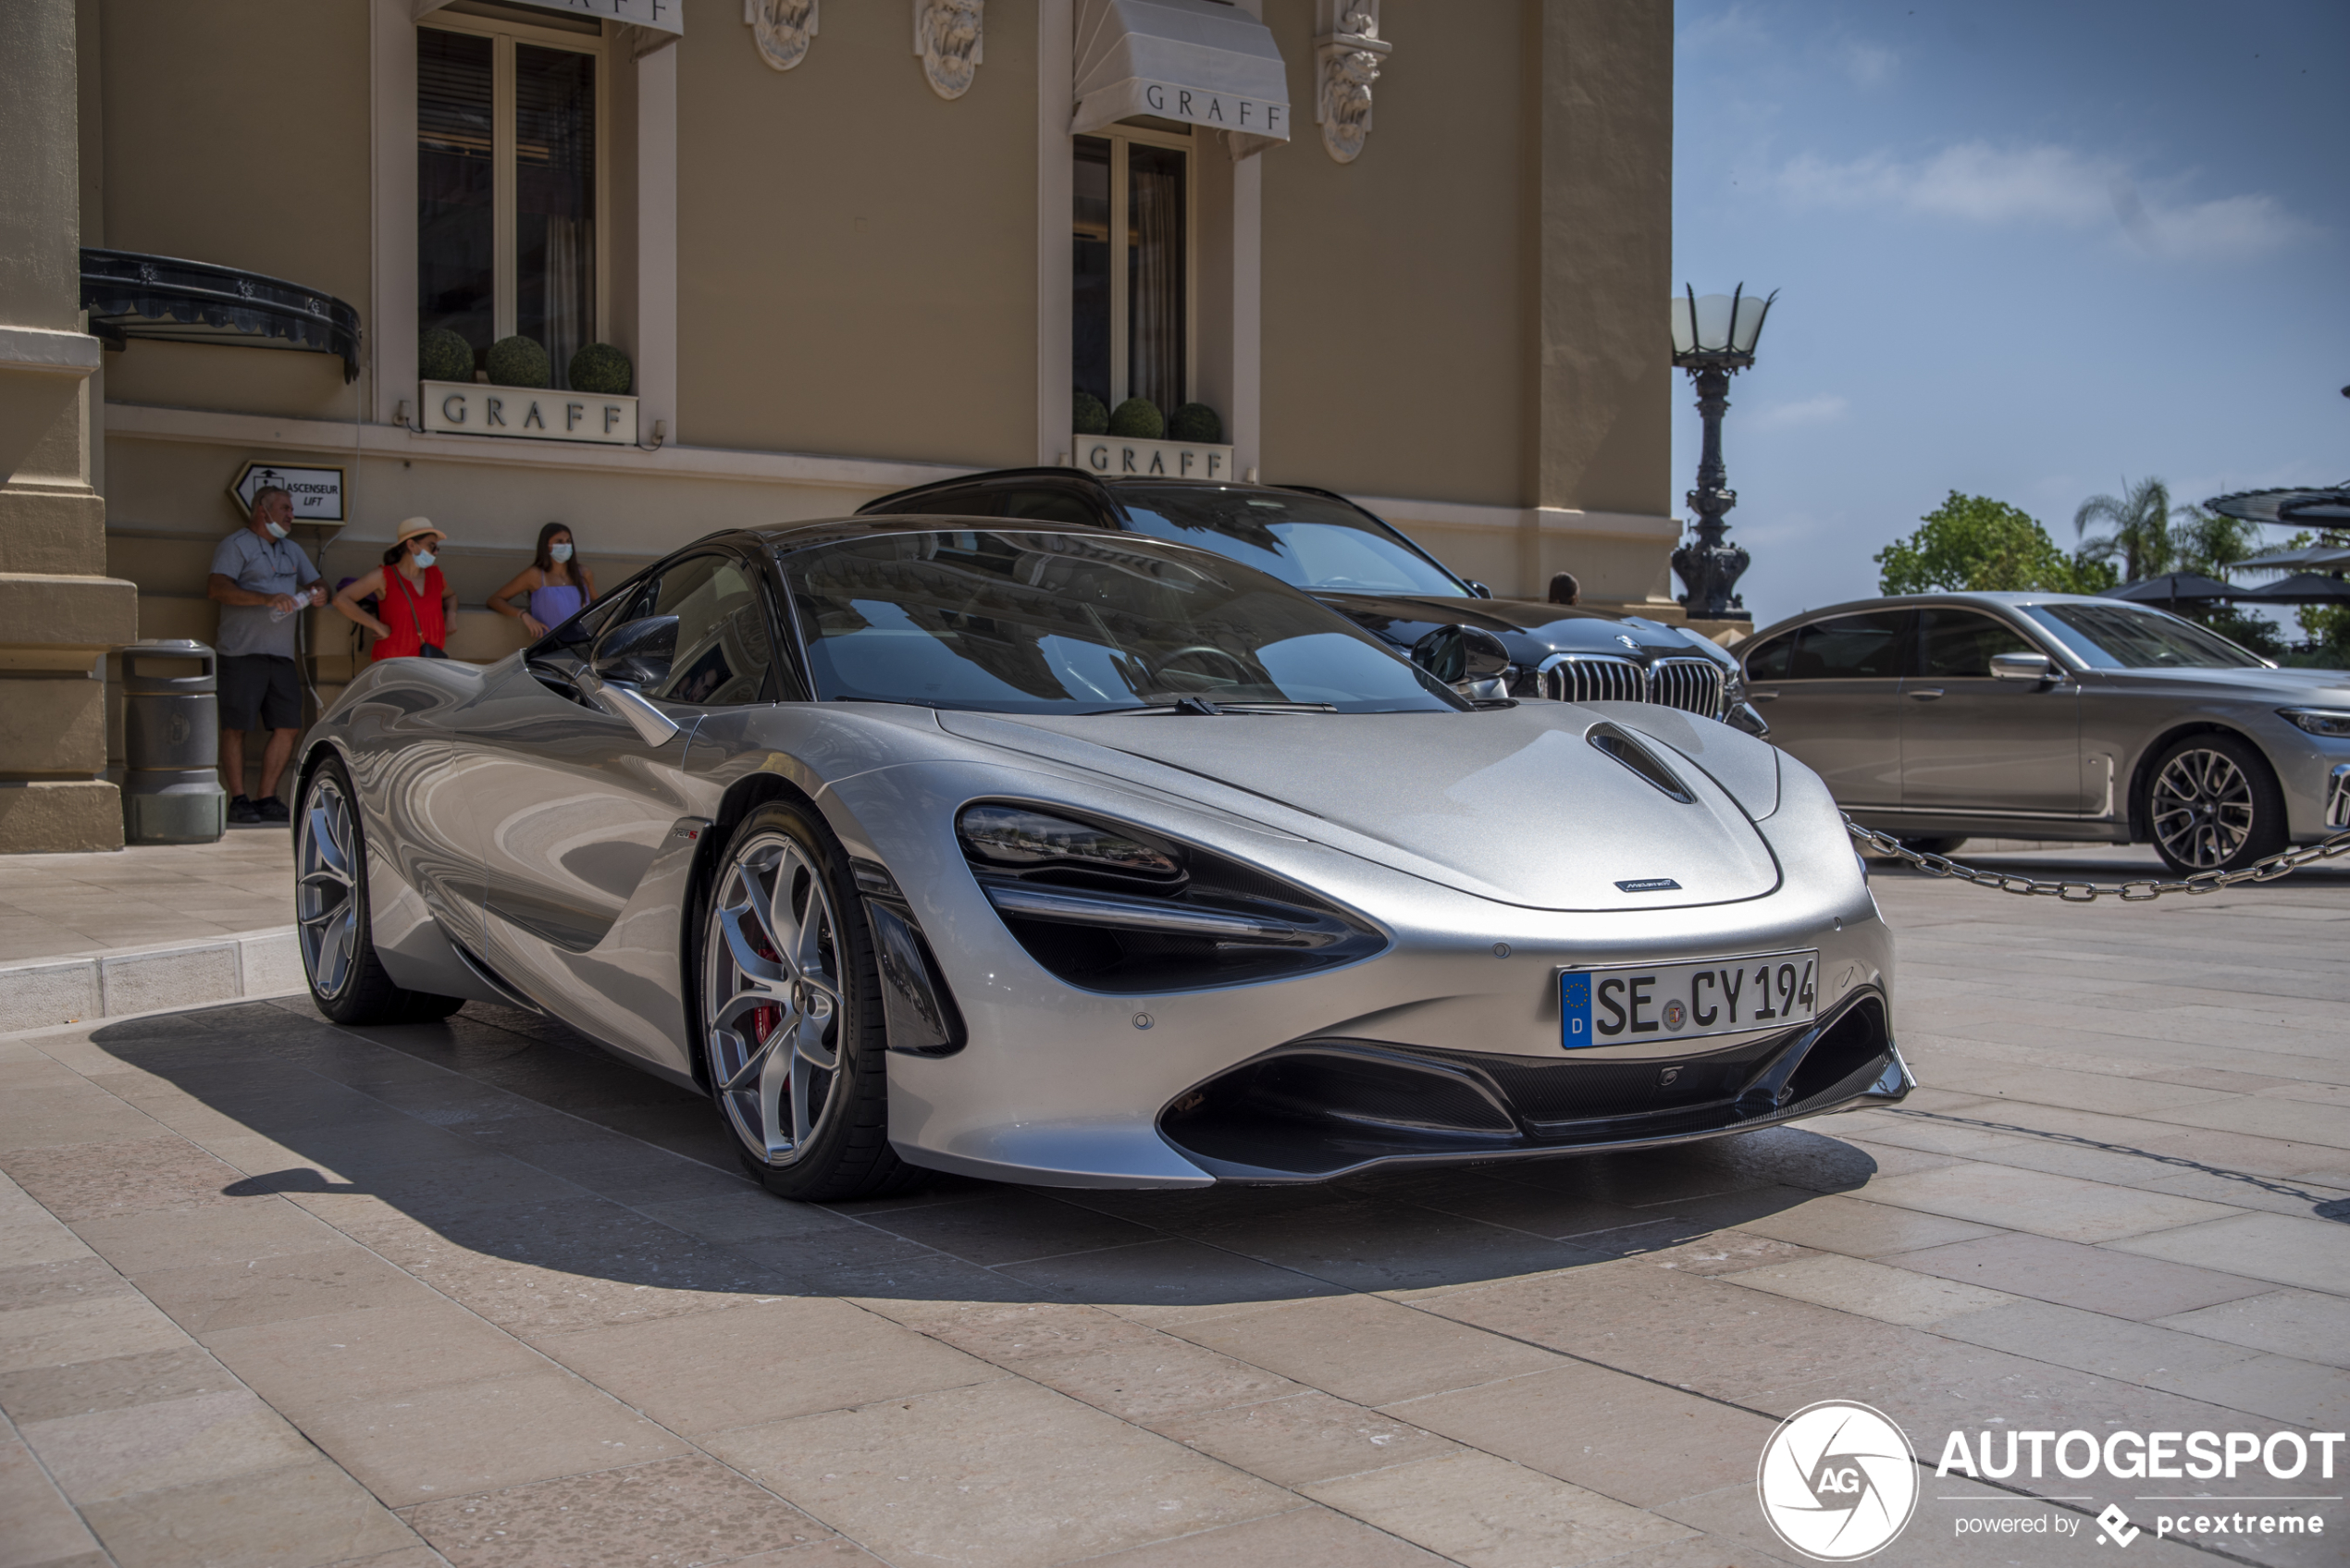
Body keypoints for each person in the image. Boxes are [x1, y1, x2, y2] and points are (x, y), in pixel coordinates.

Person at [207, 486, 324, 823]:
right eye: (285, 508)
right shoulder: (236, 545)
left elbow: (320, 583)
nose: (291, 515)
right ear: (263, 510)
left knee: (288, 726)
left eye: (291, 509)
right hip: (241, 652)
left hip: (282, 656)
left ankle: (266, 797)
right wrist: (265, 598)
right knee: (236, 726)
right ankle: (239, 799)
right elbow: (216, 588)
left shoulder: (292, 550)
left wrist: (316, 594)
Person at [334, 518, 456, 661]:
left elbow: (451, 596)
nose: (435, 552)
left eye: (437, 548)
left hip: (430, 661)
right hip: (394, 663)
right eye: (431, 546)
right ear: (411, 545)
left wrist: (451, 616)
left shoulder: (435, 576)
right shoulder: (384, 576)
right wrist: (376, 625)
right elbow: (340, 600)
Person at [489, 522, 598, 638]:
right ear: (546, 545)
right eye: (559, 542)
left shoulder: (584, 573)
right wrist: (524, 615)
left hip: (584, 643)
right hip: (551, 647)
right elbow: (495, 600)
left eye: (568, 541)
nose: (565, 545)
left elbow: (598, 603)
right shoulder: (535, 575)